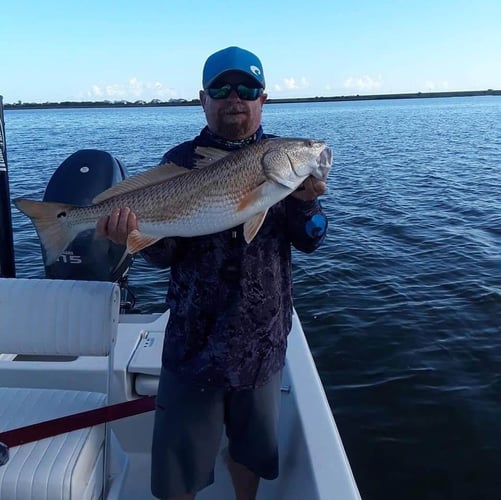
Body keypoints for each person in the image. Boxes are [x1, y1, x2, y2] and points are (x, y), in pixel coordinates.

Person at [97, 46, 329, 500]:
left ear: (264, 99)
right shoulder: (179, 161)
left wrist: (307, 203)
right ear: (203, 99)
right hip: (192, 343)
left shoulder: (282, 162)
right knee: (179, 469)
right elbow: (162, 256)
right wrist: (127, 235)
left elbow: (313, 240)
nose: (234, 97)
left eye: (248, 88)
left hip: (262, 342)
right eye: (222, 88)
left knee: (250, 454)